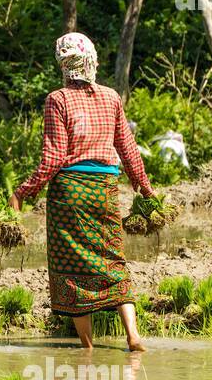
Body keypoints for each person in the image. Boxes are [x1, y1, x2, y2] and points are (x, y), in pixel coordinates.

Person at [10, 32, 153, 352]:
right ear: (92, 61)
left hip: (69, 195)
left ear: (63, 65)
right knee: (114, 261)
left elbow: (53, 158)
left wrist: (23, 191)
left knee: (70, 269)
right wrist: (145, 189)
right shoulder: (111, 97)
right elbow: (128, 149)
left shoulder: (57, 100)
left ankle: (87, 347)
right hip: (105, 191)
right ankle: (133, 336)